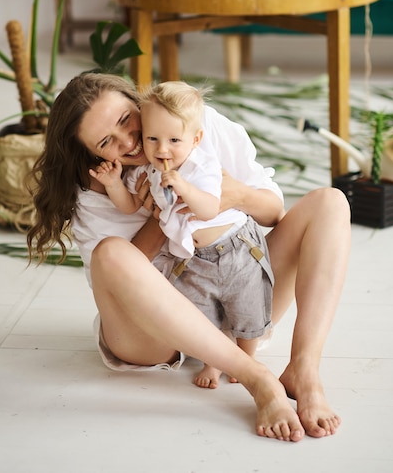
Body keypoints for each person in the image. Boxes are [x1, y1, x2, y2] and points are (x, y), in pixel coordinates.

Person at [27, 72, 351, 442]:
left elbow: (274, 214)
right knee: (111, 253)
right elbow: (116, 277)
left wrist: (234, 197)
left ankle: (304, 369)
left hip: (233, 298)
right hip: (151, 335)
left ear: (139, 102)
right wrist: (158, 218)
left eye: (125, 120)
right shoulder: (97, 190)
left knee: (331, 202)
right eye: (107, 142)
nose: (129, 141)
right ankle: (256, 377)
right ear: (92, 153)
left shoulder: (195, 124)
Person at [91, 80, 275, 388]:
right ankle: (214, 361)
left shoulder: (202, 166)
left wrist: (183, 187)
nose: (162, 149)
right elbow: (130, 205)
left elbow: (207, 208)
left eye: (174, 140)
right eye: (152, 139)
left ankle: (248, 360)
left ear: (195, 138)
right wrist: (113, 185)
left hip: (234, 248)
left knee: (247, 307)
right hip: (193, 258)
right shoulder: (148, 171)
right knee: (204, 313)